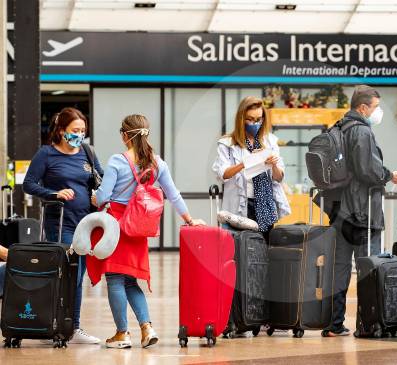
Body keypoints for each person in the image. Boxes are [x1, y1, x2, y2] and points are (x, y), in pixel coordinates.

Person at [89, 114, 204, 349]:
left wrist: (94, 197)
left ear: (124, 136)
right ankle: (147, 327)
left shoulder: (117, 161)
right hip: (138, 229)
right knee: (131, 281)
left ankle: (122, 334)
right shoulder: (157, 163)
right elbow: (173, 194)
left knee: (114, 280)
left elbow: (103, 196)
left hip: (116, 227)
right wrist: (190, 219)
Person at [323, 85, 397, 337]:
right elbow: (367, 170)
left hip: (340, 211)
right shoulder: (361, 131)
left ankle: (333, 324)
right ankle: (368, 323)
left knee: (338, 268)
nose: (378, 112)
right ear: (363, 108)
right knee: (368, 268)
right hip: (363, 213)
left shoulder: (338, 127)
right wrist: (390, 175)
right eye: (376, 107)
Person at [23, 107, 102, 344]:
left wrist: (100, 195)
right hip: (60, 224)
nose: (79, 134)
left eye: (82, 130)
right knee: (67, 274)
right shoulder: (46, 154)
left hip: (86, 224)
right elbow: (29, 184)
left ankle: (73, 327)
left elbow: (102, 178)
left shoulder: (87, 152)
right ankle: (55, 322)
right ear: (61, 130)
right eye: (74, 130)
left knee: (78, 278)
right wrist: (53, 193)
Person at [212, 96, 290, 241]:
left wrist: (273, 164)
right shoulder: (227, 143)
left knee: (264, 251)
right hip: (241, 205)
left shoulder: (270, 141)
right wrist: (244, 163)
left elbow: (279, 177)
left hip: (265, 205)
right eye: (250, 119)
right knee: (240, 250)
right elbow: (223, 174)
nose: (255, 123)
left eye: (259, 119)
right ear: (241, 119)